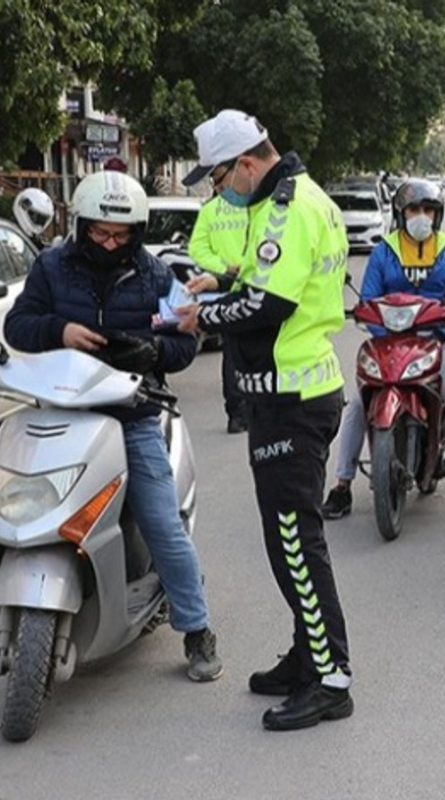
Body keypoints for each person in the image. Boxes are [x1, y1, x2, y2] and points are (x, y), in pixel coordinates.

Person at [3, 171, 223, 684]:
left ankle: (197, 629)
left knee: (163, 526)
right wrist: (58, 330)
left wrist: (155, 351)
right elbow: (18, 325)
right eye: (99, 233)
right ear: (80, 227)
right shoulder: (51, 268)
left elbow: (185, 340)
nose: (108, 243)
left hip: (133, 414)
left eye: (120, 236)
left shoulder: (153, 276)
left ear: (136, 234)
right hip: (60, 412)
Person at [174, 109, 354, 731]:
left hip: (293, 397)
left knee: (297, 546)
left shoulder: (285, 209)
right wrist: (223, 283)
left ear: (247, 162)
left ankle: (331, 678)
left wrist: (203, 318)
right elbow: (268, 279)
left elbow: (270, 302)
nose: (219, 189)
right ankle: (309, 654)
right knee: (287, 542)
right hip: (290, 391)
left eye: (220, 176)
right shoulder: (296, 199)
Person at [319, 179, 445, 521]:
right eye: (414, 209)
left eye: (428, 210)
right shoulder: (384, 250)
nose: (421, 216)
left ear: (438, 215)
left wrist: (444, 332)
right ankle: (342, 485)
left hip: (435, 341)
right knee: (359, 402)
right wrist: (376, 327)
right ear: (401, 214)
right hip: (388, 342)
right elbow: (369, 298)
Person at [187, 193, 249, 433]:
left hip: (225, 289)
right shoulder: (258, 204)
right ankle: (254, 409)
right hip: (259, 284)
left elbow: (197, 250)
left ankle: (237, 415)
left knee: (232, 353)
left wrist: (223, 269)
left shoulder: (210, 210)